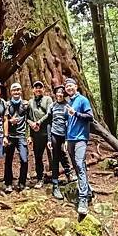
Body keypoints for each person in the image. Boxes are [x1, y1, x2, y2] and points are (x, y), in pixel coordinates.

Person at [64, 77, 94, 216]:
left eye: (71, 86)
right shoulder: (69, 102)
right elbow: (67, 123)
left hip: (81, 138)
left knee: (80, 164)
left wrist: (75, 113)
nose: (69, 88)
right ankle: (87, 189)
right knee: (75, 166)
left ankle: (83, 200)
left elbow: (90, 117)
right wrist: (65, 139)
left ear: (76, 86)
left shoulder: (82, 100)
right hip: (70, 139)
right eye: (67, 87)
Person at [45, 84, 77, 200]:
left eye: (61, 93)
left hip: (65, 135)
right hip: (54, 134)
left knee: (64, 154)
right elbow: (49, 122)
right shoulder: (52, 106)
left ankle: (69, 173)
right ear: (55, 94)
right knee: (55, 157)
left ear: (64, 95)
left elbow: (70, 123)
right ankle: (55, 185)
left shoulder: (67, 106)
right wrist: (49, 139)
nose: (59, 94)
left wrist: (68, 139)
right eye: (58, 92)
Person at [3, 82, 29, 193]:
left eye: (18, 90)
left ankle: (22, 183)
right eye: (14, 90)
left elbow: (29, 119)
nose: (16, 92)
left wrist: (29, 135)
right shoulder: (7, 105)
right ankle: (8, 183)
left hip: (21, 136)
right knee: (8, 160)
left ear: (21, 91)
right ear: (11, 92)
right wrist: (10, 121)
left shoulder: (26, 104)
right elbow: (3, 120)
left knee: (24, 159)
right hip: (11, 136)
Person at [27, 80, 52, 188]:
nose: (38, 89)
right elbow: (27, 117)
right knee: (38, 156)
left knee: (55, 154)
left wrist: (39, 122)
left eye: (40, 87)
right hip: (36, 133)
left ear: (43, 89)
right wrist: (31, 124)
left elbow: (49, 113)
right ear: (33, 90)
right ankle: (40, 178)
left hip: (47, 131)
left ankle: (57, 175)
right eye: (36, 87)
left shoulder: (48, 99)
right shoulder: (30, 102)